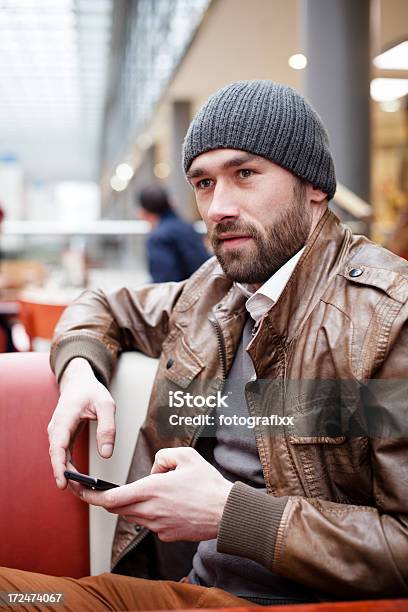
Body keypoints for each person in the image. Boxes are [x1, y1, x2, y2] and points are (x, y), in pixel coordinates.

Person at [1, 80, 408, 610]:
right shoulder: (215, 291)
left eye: (244, 174)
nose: (218, 207)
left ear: (314, 186)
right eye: (203, 183)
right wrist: (80, 372)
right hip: (182, 593)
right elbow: (103, 306)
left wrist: (232, 515)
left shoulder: (386, 318)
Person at [137, 184, 210, 282]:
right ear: (171, 203)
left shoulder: (159, 238)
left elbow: (164, 283)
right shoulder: (188, 228)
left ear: (143, 212)